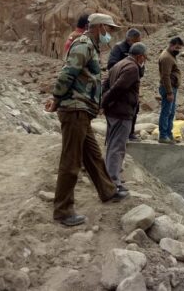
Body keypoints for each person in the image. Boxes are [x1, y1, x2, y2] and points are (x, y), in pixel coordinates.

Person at [46, 13, 126, 227]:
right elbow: (68, 73)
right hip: (74, 109)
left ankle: (108, 191)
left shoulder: (91, 45)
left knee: (92, 154)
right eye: (108, 30)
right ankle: (63, 211)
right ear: (99, 27)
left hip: (82, 110)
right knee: (71, 161)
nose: (109, 34)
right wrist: (56, 98)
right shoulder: (84, 45)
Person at [101, 43, 147, 192]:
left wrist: (104, 102)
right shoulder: (132, 68)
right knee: (117, 147)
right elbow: (118, 88)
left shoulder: (120, 63)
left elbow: (106, 83)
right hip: (121, 112)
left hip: (113, 111)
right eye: (144, 57)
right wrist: (104, 102)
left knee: (112, 144)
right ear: (140, 56)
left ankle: (110, 176)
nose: (144, 60)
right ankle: (113, 183)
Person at [107, 28, 143, 142]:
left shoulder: (138, 51)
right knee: (119, 109)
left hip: (132, 85)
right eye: (135, 41)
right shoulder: (119, 48)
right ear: (129, 39)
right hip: (120, 83)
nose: (137, 43)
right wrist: (126, 67)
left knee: (134, 107)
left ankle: (130, 133)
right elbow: (111, 66)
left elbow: (141, 69)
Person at [157, 37, 184, 144]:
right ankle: (163, 136)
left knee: (171, 112)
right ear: (171, 45)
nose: (178, 50)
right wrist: (169, 92)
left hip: (172, 88)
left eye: (180, 48)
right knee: (166, 112)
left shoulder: (171, 55)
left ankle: (169, 134)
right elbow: (165, 76)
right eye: (177, 47)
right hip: (168, 88)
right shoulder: (166, 58)